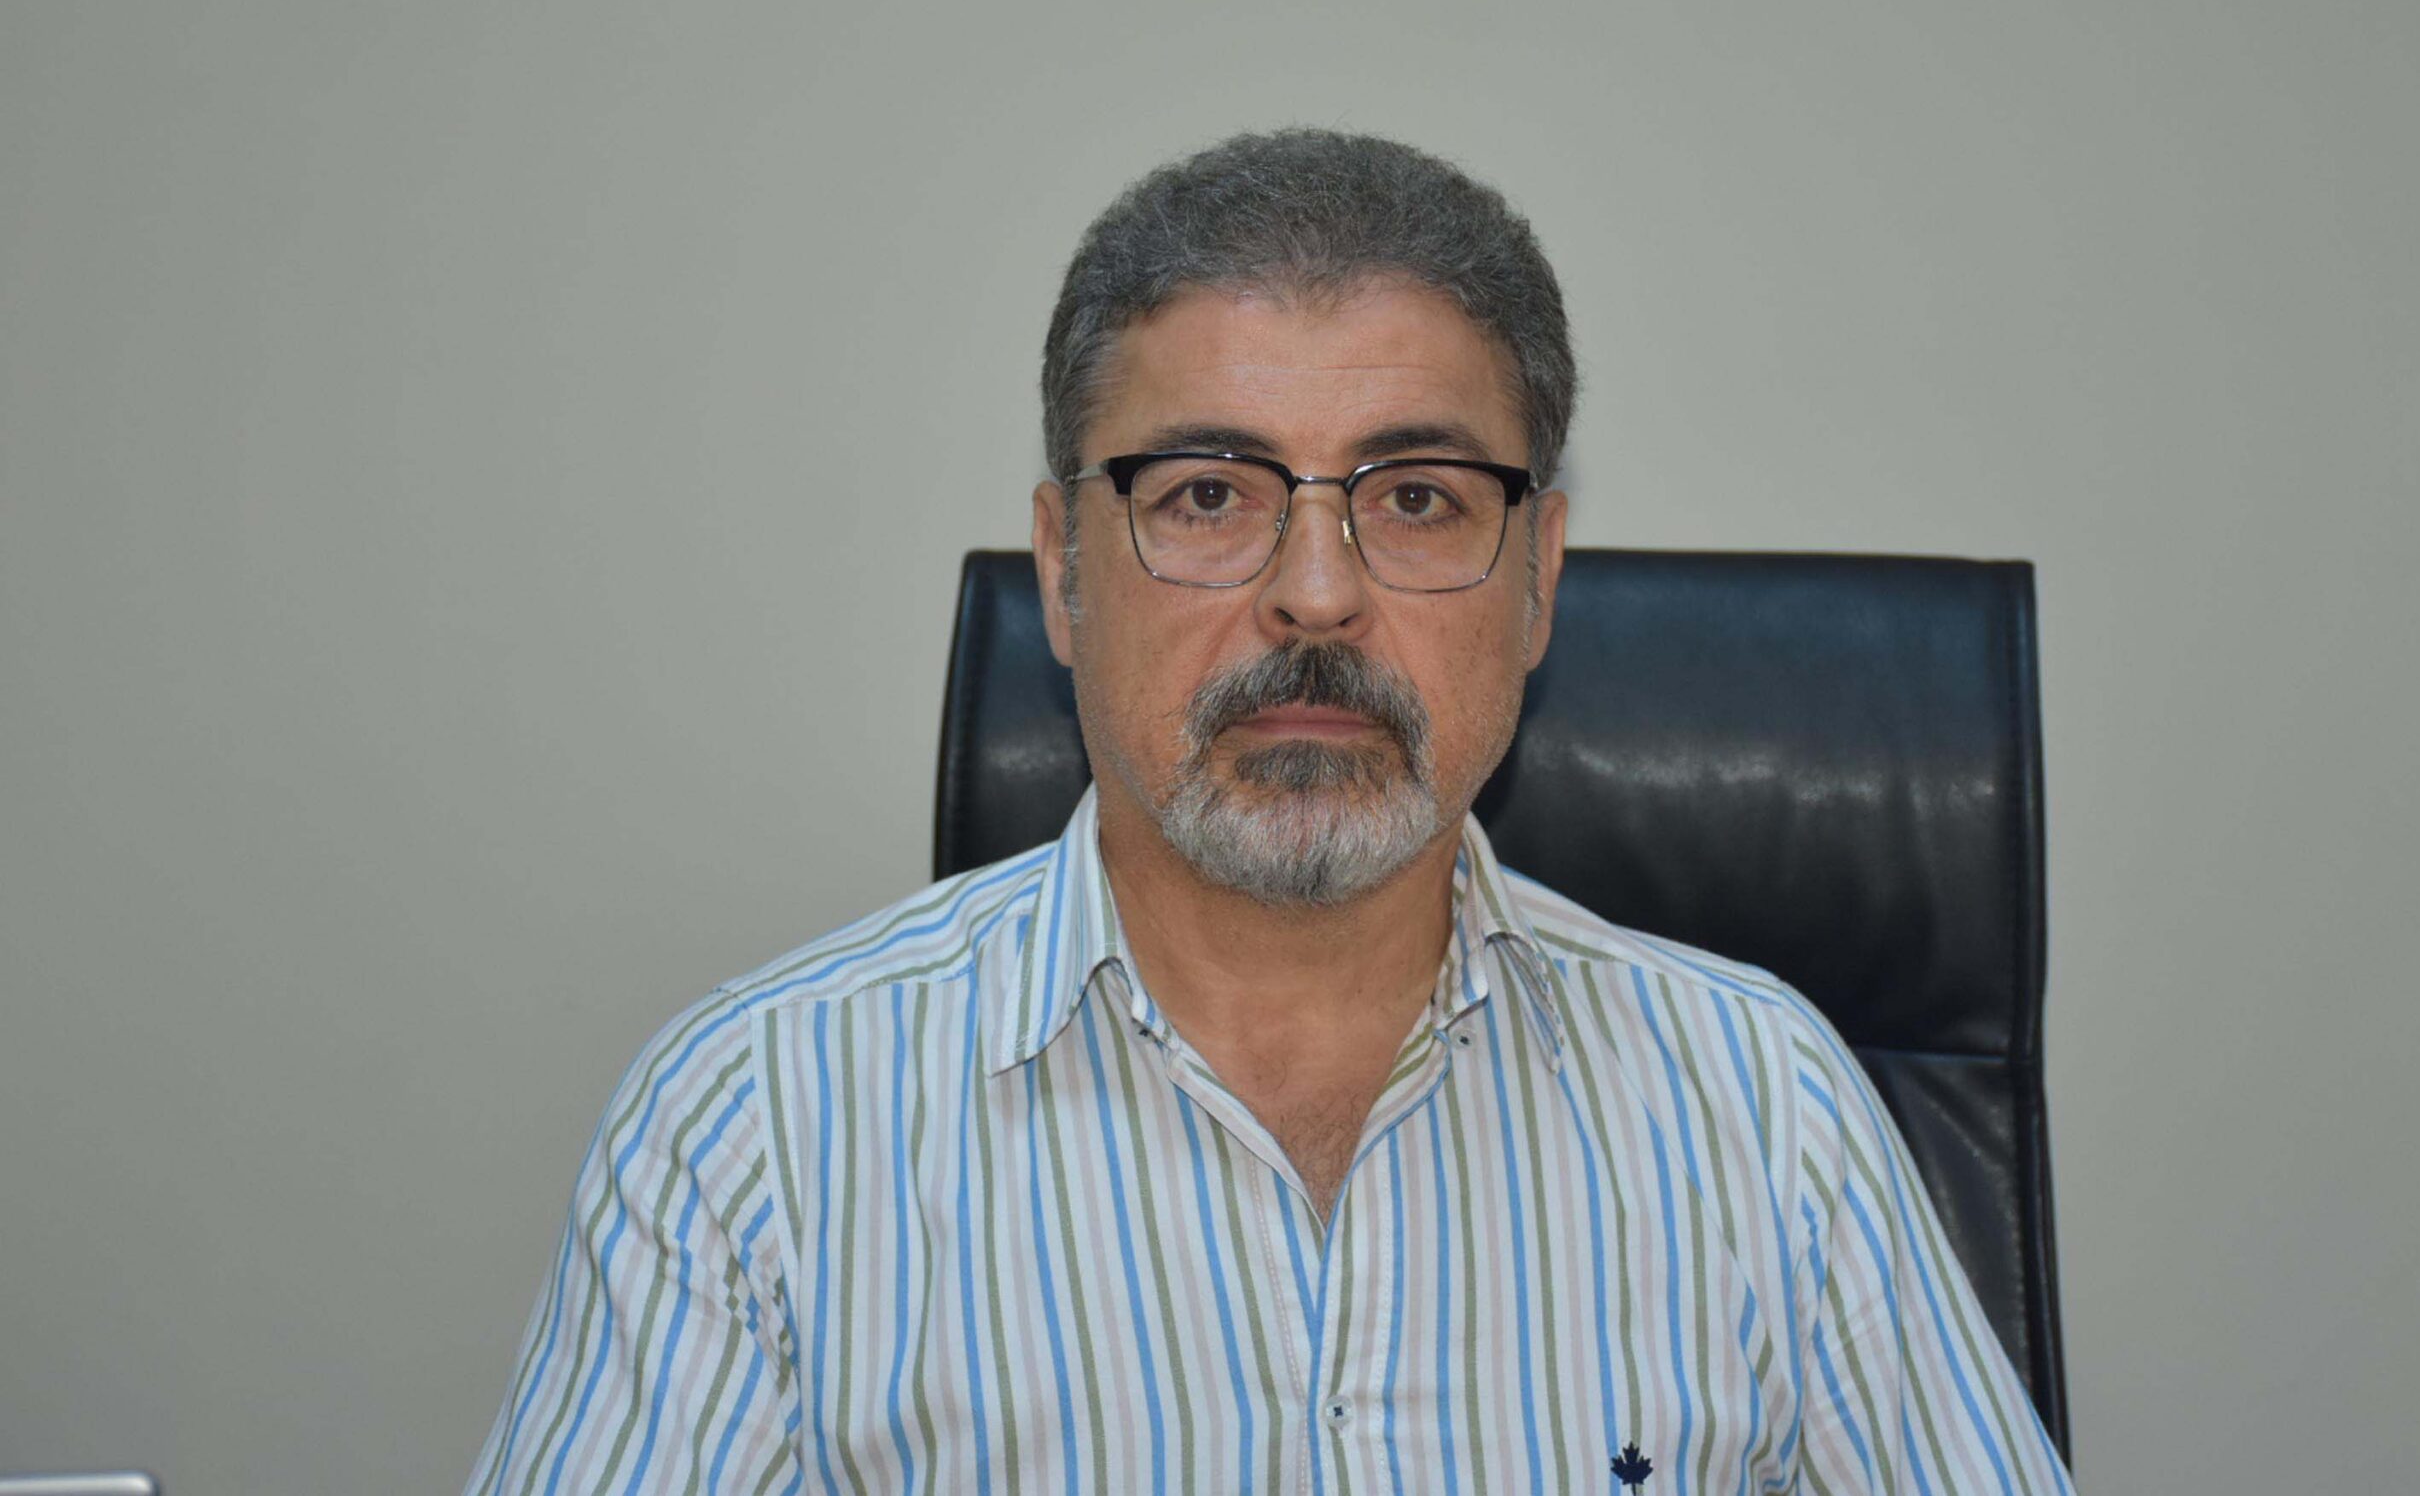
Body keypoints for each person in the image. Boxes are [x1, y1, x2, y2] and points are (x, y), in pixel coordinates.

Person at [467, 129, 2074, 1494]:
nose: (1316, 595)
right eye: (1208, 496)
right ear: (1063, 570)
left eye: (1418, 498)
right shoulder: (753, 1134)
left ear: (1538, 580)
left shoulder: (1767, 1114)